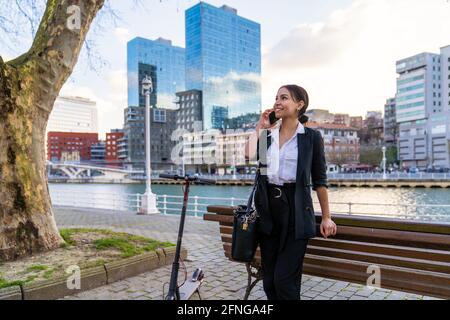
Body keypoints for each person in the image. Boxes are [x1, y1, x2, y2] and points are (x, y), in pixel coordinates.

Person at [245, 84, 337, 300]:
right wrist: (261, 125)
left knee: (284, 281)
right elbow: (249, 155)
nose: (278, 101)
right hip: (268, 212)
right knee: (269, 282)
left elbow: (320, 180)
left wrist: (326, 217)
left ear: (299, 104)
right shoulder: (267, 136)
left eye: (284, 98)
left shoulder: (310, 137)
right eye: (276, 97)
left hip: (296, 211)